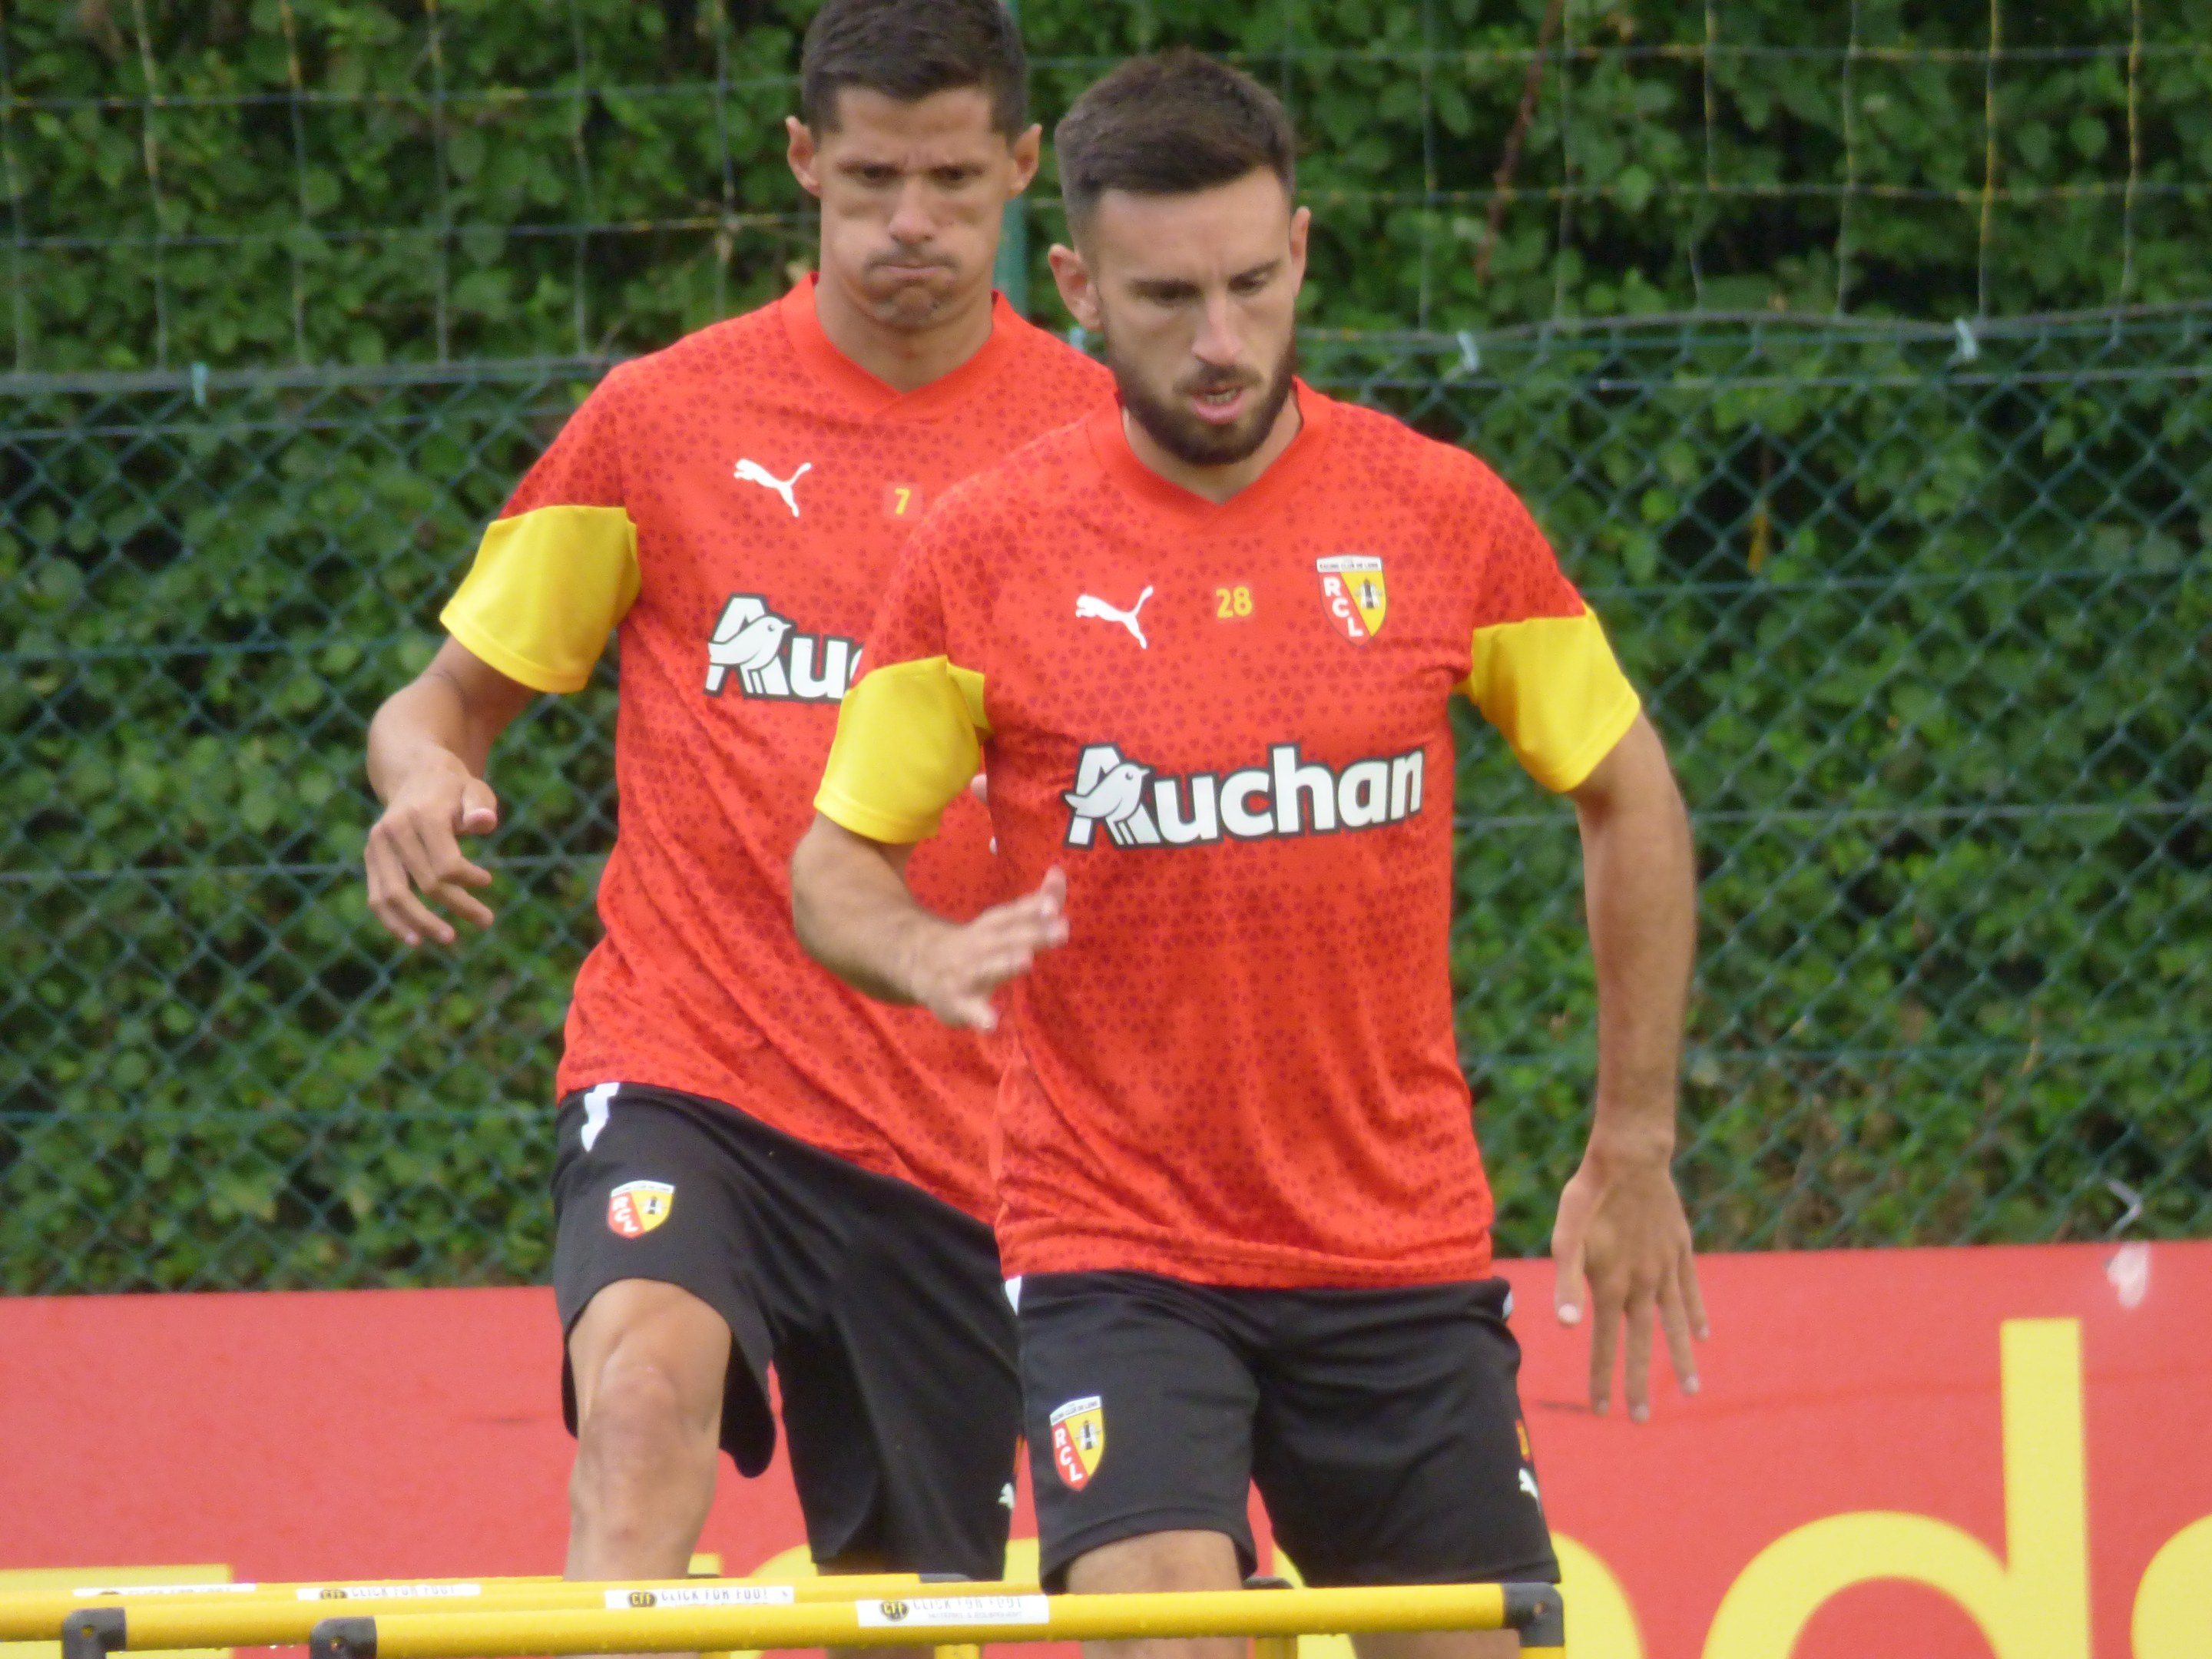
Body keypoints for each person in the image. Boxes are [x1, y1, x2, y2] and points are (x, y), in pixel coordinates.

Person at [790, 48, 1707, 1657]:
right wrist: (917, 946)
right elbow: (833, 868)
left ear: (1300, 249)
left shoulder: (1439, 516)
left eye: (1250, 284)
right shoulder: (986, 553)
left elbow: (1630, 795)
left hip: (1394, 1247)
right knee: (1166, 1632)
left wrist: (1633, 1142)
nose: (1219, 342)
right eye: (1165, 297)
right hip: (1116, 1252)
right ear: (1077, 285)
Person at [362, 0, 1111, 1598]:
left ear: (1023, 166)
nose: (910, 222)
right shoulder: (663, 417)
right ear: (802, 160)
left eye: (952, 180)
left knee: (911, 1602)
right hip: (690, 1065)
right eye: (871, 177)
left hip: (961, 1132)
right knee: (641, 1403)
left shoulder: (1096, 450)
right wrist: (421, 774)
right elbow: (446, 700)